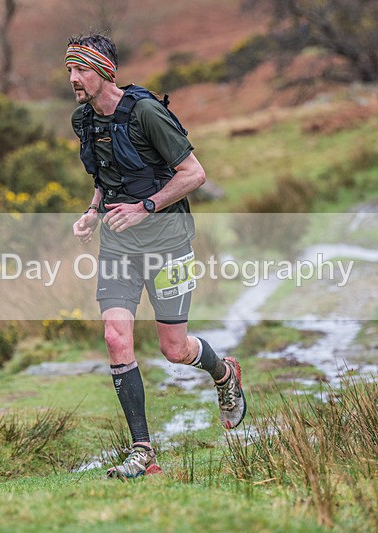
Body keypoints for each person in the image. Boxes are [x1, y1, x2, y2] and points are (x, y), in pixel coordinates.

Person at [66, 32, 246, 479]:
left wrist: (146, 206)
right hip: (119, 246)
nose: (73, 78)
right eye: (69, 69)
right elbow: (107, 175)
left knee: (174, 348)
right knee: (115, 337)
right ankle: (142, 451)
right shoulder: (84, 120)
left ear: (105, 71)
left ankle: (223, 372)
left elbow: (194, 174)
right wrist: (93, 211)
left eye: (80, 69)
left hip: (167, 243)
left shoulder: (147, 113)